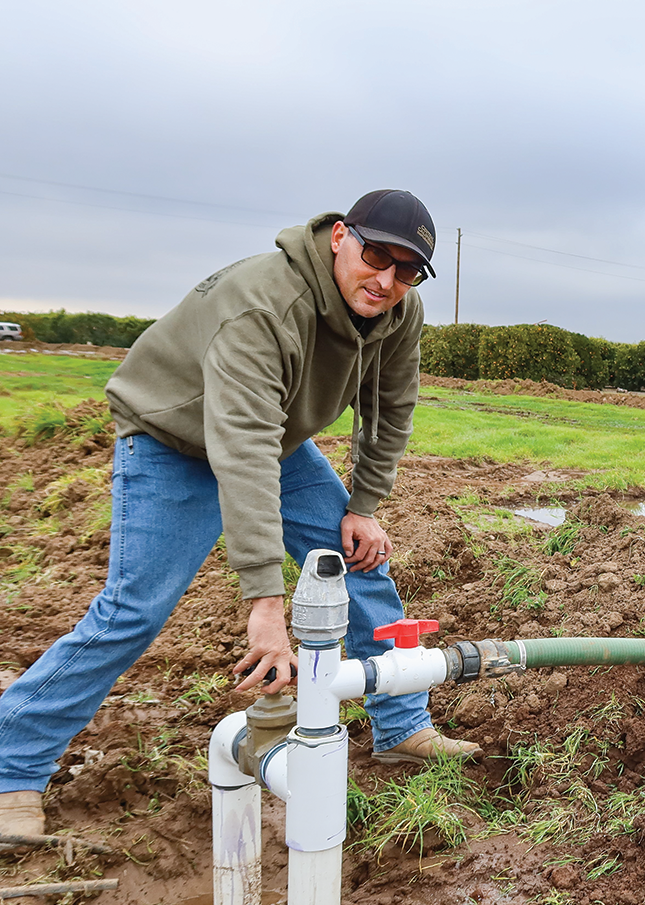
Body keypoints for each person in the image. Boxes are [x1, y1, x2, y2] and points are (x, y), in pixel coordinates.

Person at [0, 190, 478, 842]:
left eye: (407, 271)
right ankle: (12, 768)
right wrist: (263, 600)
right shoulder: (264, 304)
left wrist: (363, 508)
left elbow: (390, 410)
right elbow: (242, 450)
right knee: (132, 610)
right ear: (341, 236)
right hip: (171, 437)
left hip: (273, 436)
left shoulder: (400, 310)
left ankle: (401, 726)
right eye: (376, 257)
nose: (387, 280)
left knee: (359, 561)